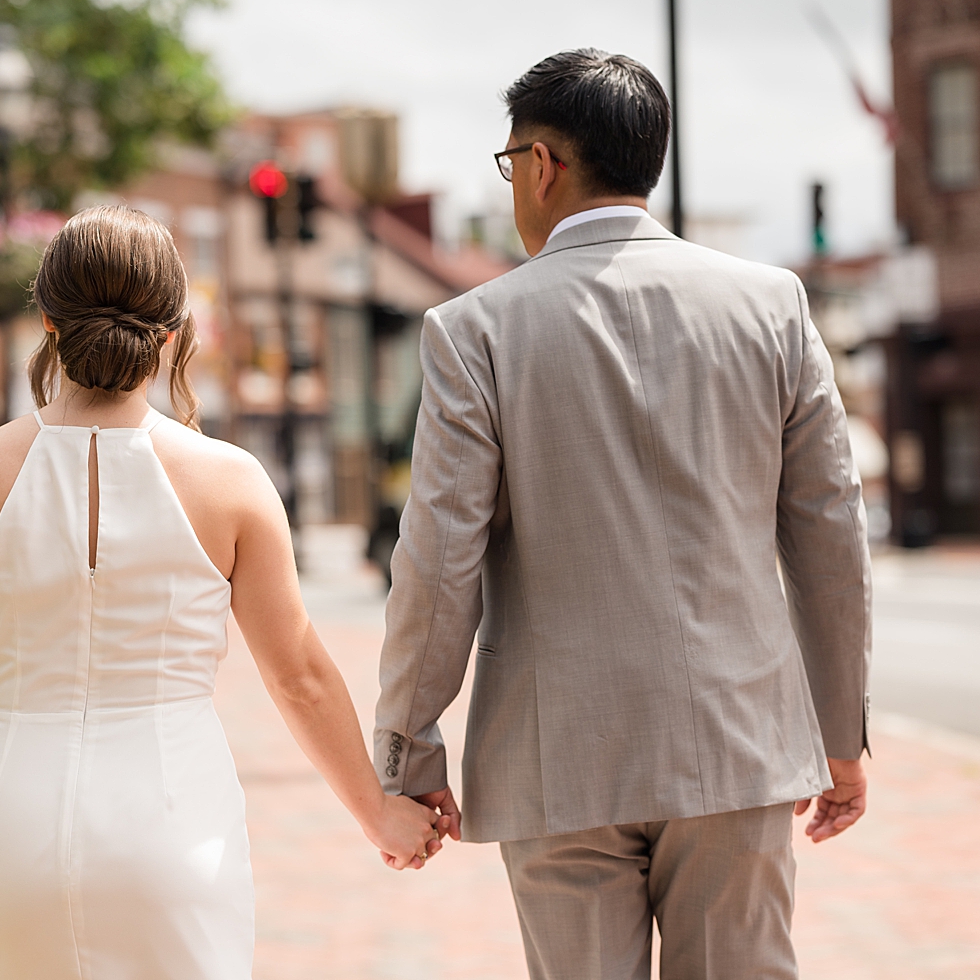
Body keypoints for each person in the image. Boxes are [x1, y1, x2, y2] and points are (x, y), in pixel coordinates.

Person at [373, 48, 872, 980]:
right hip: (739, 742)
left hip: (559, 757)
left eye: (509, 160)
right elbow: (831, 537)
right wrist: (841, 734)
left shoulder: (475, 329)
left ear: (543, 165)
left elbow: (438, 562)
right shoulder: (772, 307)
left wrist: (410, 749)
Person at [0, 206, 446, 979]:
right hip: (173, 821)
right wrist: (379, 813)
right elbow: (298, 675)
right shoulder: (230, 482)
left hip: (13, 825)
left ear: (47, 322)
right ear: (174, 332)